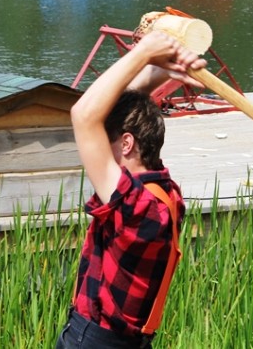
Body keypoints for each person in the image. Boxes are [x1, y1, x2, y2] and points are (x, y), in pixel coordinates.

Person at [56, 30, 205, 348]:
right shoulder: (166, 194)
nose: (96, 151)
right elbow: (119, 109)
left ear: (126, 143)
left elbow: (83, 116)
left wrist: (143, 52)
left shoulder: (136, 207)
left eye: (104, 141)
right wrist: (159, 72)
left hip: (94, 340)